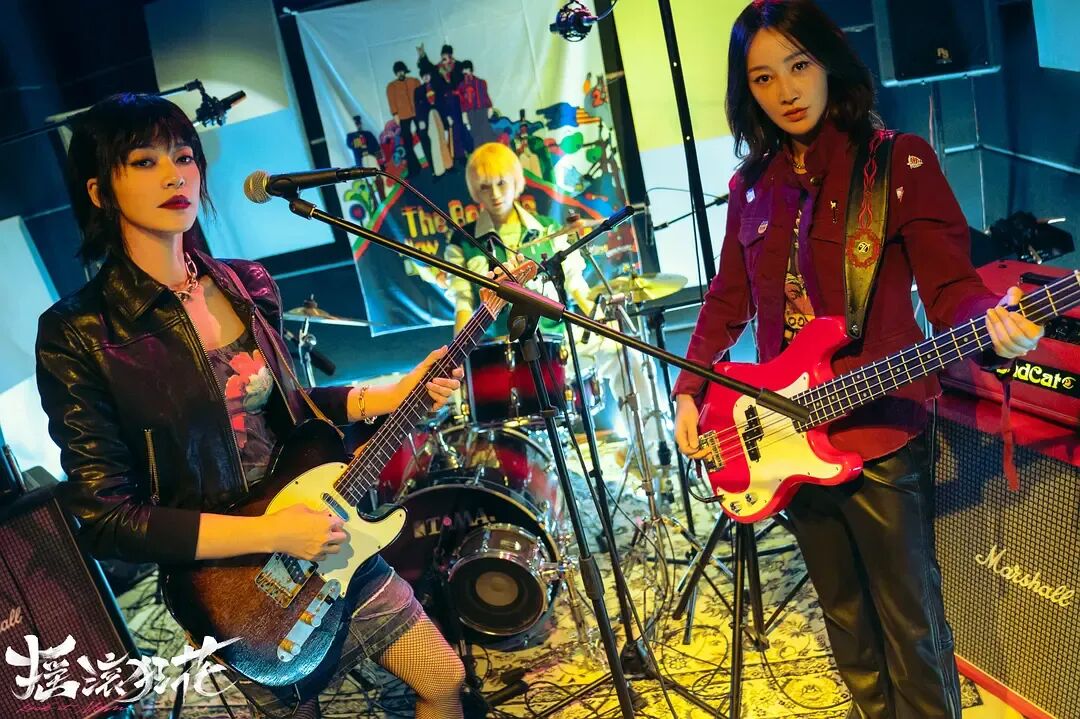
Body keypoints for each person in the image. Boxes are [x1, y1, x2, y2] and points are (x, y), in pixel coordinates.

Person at [35, 93, 466, 719]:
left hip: (326, 533)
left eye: (184, 156)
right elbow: (108, 519)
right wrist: (272, 532)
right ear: (99, 191)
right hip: (233, 586)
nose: (175, 175)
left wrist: (396, 392)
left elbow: (288, 407)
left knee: (444, 679)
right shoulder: (78, 332)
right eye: (145, 161)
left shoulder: (246, 284)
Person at [672, 3, 1043, 718]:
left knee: (913, 631)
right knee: (846, 626)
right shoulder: (752, 186)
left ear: (829, 62)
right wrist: (690, 389)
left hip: (880, 434)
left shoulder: (896, 162)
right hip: (787, 436)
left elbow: (952, 290)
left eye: (799, 65)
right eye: (763, 77)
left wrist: (993, 323)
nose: (785, 90)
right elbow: (727, 299)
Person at [385, 60, 426, 176]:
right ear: (395, 73)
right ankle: (414, 169)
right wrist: (395, 115)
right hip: (403, 116)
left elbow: (421, 96)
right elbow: (392, 102)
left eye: (402, 71)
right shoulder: (391, 87)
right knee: (407, 143)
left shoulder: (414, 81)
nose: (400, 73)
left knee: (424, 136)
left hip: (417, 113)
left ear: (405, 71)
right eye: (398, 72)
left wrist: (423, 111)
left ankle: (432, 164)